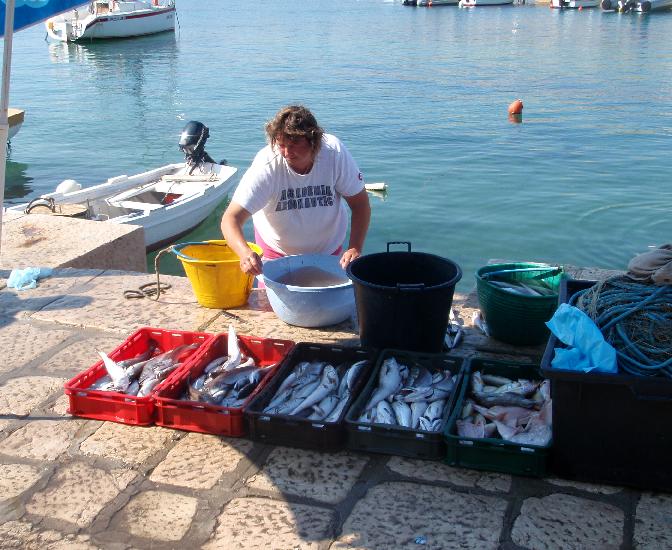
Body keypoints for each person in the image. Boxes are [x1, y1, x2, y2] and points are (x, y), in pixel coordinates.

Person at [221, 105, 371, 276]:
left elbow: (360, 205)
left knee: (327, 300)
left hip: (329, 252)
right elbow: (230, 219)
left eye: (294, 144)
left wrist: (355, 247)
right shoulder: (267, 165)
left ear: (314, 141)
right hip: (275, 253)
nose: (286, 152)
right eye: (281, 145)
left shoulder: (334, 153)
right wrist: (245, 253)